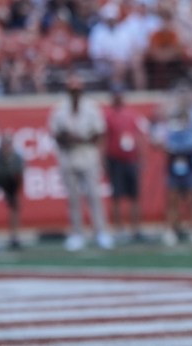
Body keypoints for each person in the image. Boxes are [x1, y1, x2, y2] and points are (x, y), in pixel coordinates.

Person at [49, 74, 113, 251]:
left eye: (77, 90)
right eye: (72, 90)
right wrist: (69, 138)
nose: (75, 93)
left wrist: (80, 139)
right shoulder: (60, 109)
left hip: (88, 156)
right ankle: (77, 233)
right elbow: (56, 134)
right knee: (73, 198)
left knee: (93, 196)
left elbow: (99, 133)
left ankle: (100, 232)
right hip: (68, 157)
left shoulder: (91, 107)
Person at [155, 84, 192, 246]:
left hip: (191, 158)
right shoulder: (169, 114)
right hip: (174, 158)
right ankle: (172, 229)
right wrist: (167, 147)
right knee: (172, 196)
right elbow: (160, 136)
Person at [103, 86, 147, 242]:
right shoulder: (108, 116)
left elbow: (138, 136)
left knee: (134, 195)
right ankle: (118, 228)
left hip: (131, 160)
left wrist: (141, 157)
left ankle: (136, 228)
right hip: (115, 160)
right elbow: (104, 139)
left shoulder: (132, 115)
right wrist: (104, 161)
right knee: (116, 196)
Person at [0, 130, 25, 250]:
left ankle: (14, 236)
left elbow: (19, 178)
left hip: (10, 181)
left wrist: (14, 194)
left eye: (8, 144)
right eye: (4, 144)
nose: (6, 147)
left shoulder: (17, 157)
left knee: (15, 204)